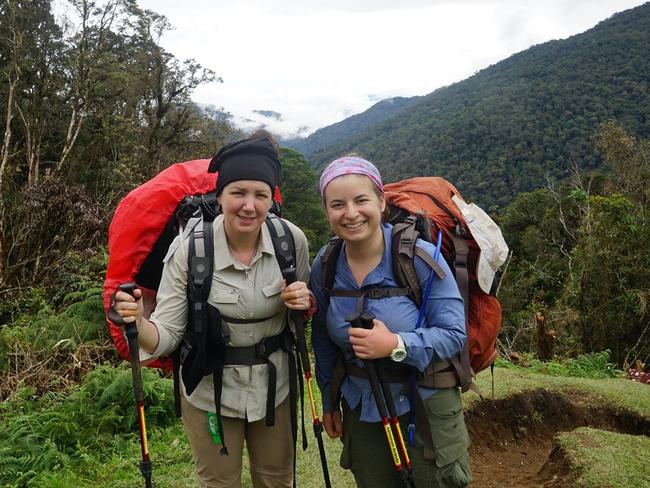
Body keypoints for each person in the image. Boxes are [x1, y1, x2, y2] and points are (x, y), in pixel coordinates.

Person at [112, 130, 313, 488]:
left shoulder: (290, 240)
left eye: (259, 195)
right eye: (238, 193)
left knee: (277, 481)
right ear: (220, 195)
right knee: (219, 483)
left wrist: (303, 301)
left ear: (271, 199)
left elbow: (303, 311)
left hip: (275, 389)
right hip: (209, 392)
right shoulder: (190, 249)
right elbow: (168, 335)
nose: (248, 205)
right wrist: (138, 320)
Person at [310, 156, 473, 488]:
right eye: (337, 204)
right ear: (327, 211)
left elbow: (455, 333)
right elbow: (324, 340)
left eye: (361, 200)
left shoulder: (419, 258)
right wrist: (329, 400)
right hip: (361, 406)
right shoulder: (325, 264)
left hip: (425, 405)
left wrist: (396, 345)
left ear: (381, 202)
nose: (351, 213)